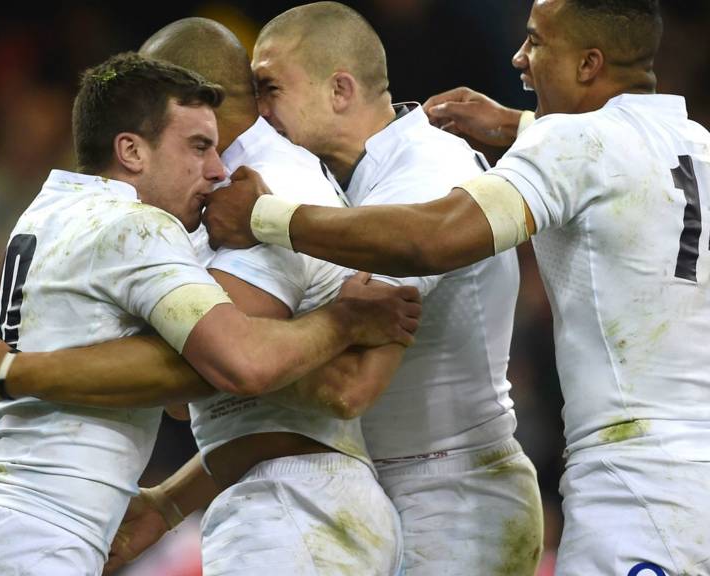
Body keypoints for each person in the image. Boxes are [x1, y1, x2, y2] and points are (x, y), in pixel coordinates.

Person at [201, 1, 710, 574]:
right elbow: (608, 154)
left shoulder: (458, 160)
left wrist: (263, 219)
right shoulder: (693, 143)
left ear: (589, 63)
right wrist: (520, 126)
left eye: (536, 42)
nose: (518, 59)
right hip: (679, 468)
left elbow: (433, 241)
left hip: (590, 486)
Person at [0, 21, 418, 576]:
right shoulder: (137, 226)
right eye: (197, 146)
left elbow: (185, 382)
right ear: (131, 150)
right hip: (37, 544)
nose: (217, 171)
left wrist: (12, 373)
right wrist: (344, 321)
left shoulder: (47, 211)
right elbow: (237, 363)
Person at [238, 3, 543, 573]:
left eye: (269, 87)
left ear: (340, 89)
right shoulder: (348, 184)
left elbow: (350, 385)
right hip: (399, 482)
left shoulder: (424, 169)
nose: (258, 113)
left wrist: (220, 365)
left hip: (455, 494)